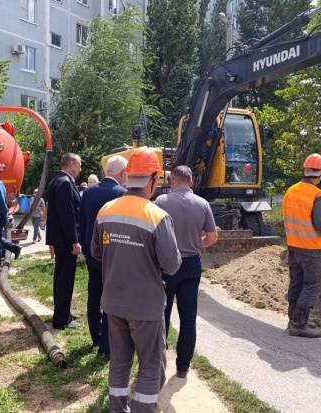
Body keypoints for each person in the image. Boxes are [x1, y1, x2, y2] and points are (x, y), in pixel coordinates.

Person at [92, 148, 181, 413]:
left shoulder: (105, 211)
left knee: (120, 360)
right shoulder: (157, 216)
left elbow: (96, 252)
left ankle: (118, 409)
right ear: (153, 179)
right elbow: (172, 265)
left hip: (113, 302)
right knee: (151, 363)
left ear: (129, 176)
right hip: (145, 306)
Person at [154, 165, 218, 378]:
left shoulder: (161, 202)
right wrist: (198, 244)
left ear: (172, 181)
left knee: (161, 314)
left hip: (165, 264)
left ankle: (158, 362)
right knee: (188, 317)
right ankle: (182, 367)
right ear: (191, 182)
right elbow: (212, 237)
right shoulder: (202, 204)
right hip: (191, 264)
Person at [282, 153, 321, 339]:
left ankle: (293, 319)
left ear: (305, 170)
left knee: (296, 283)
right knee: (312, 285)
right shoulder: (316, 195)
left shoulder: (291, 191)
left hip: (293, 246)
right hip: (310, 247)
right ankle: (299, 324)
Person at [78, 155, 128, 360]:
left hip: (91, 251)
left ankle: (96, 336)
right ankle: (107, 345)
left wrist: (84, 245)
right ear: (122, 173)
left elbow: (81, 222)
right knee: (111, 297)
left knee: (94, 291)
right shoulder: (121, 194)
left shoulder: (89, 191)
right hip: (112, 253)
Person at [46, 153, 83, 329]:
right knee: (65, 279)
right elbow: (67, 216)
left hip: (60, 239)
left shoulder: (58, 180)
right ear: (72, 164)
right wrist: (74, 241)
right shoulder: (65, 183)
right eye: (79, 165)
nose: (80, 169)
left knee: (62, 277)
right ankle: (61, 319)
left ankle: (63, 312)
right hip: (65, 240)